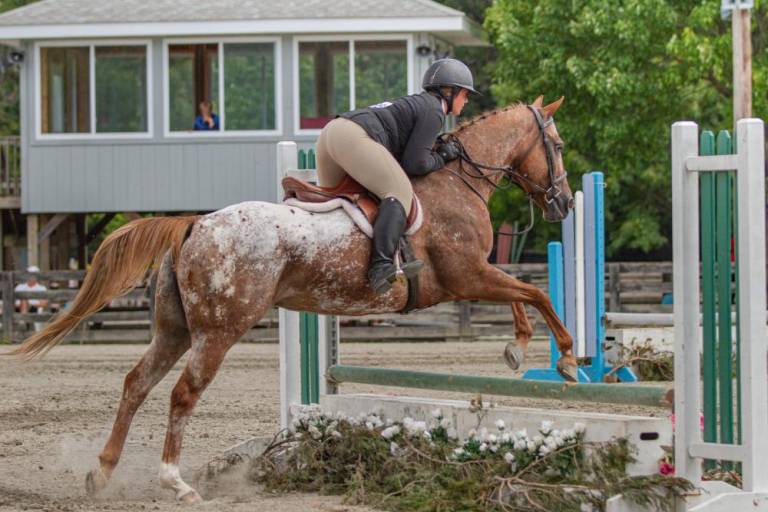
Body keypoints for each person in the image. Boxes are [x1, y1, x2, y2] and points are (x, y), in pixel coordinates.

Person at [316, 58, 478, 294]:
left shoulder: (420, 104)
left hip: (330, 134)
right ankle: (381, 267)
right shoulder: (434, 110)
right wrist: (442, 157)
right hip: (353, 136)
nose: (467, 100)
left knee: (338, 210)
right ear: (451, 92)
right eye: (465, 94)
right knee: (400, 192)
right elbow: (415, 164)